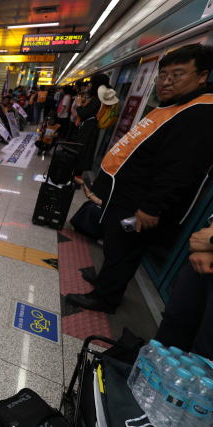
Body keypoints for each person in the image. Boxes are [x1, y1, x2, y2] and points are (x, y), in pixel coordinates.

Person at [66, 44, 213, 313]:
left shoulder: (200, 113)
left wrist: (152, 206)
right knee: (115, 245)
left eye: (177, 75)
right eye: (163, 76)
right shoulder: (176, 105)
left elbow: (179, 168)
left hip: (141, 202)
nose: (166, 82)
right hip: (129, 195)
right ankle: (105, 280)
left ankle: (105, 297)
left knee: (124, 249)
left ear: (202, 76)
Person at [153, 224, 213, 360]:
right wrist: (206, 245)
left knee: (205, 357)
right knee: (172, 332)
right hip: (205, 262)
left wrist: (210, 240)